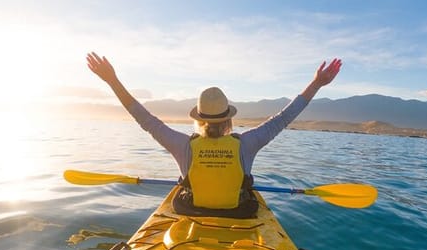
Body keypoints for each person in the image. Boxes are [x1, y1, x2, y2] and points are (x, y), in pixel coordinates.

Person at [86, 52, 342, 218]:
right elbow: (285, 117)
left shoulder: (182, 145)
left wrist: (112, 81)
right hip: (237, 214)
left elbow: (143, 118)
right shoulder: (248, 143)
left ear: (198, 119)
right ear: (229, 117)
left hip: (192, 212)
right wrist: (317, 84)